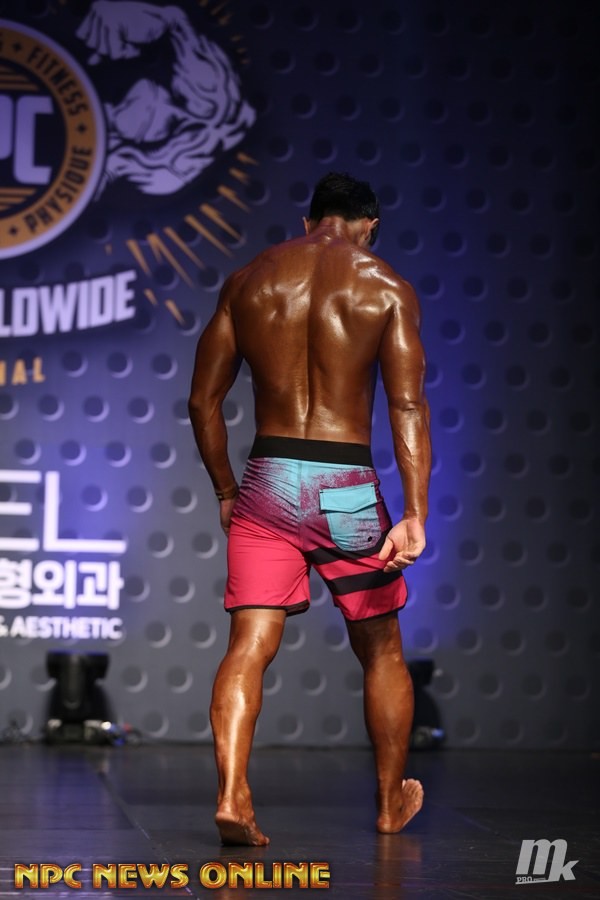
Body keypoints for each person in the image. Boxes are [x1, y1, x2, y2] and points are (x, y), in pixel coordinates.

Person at [188, 172, 431, 846]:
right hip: (345, 485)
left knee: (248, 644)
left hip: (267, 480)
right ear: (369, 225)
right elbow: (408, 406)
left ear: (308, 221)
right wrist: (414, 511)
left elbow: (202, 402)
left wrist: (227, 491)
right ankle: (389, 804)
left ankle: (233, 794)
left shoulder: (249, 280)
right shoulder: (386, 287)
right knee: (381, 648)